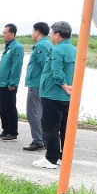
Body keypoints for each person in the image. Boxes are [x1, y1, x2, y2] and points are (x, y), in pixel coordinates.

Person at [33, 21, 76, 170]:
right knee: (64, 127)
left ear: (57, 34)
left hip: (53, 94)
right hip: (66, 97)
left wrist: (64, 86)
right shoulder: (74, 49)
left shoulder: (57, 50)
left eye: (52, 33)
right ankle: (64, 157)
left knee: (50, 127)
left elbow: (57, 73)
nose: (51, 36)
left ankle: (51, 158)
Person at [23, 22, 52, 151]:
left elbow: (45, 65)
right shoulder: (48, 44)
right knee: (40, 113)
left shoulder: (41, 45)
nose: (32, 33)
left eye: (33, 31)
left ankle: (38, 140)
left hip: (37, 84)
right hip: (42, 84)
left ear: (38, 32)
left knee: (33, 113)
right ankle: (43, 138)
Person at [0, 23, 24, 141]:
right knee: (3, 107)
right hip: (2, 82)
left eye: (5, 33)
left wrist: (13, 83)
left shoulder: (17, 47)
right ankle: (5, 129)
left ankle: (12, 131)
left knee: (10, 107)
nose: (3, 35)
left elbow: (16, 67)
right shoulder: (8, 47)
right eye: (3, 32)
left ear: (12, 34)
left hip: (9, 84)